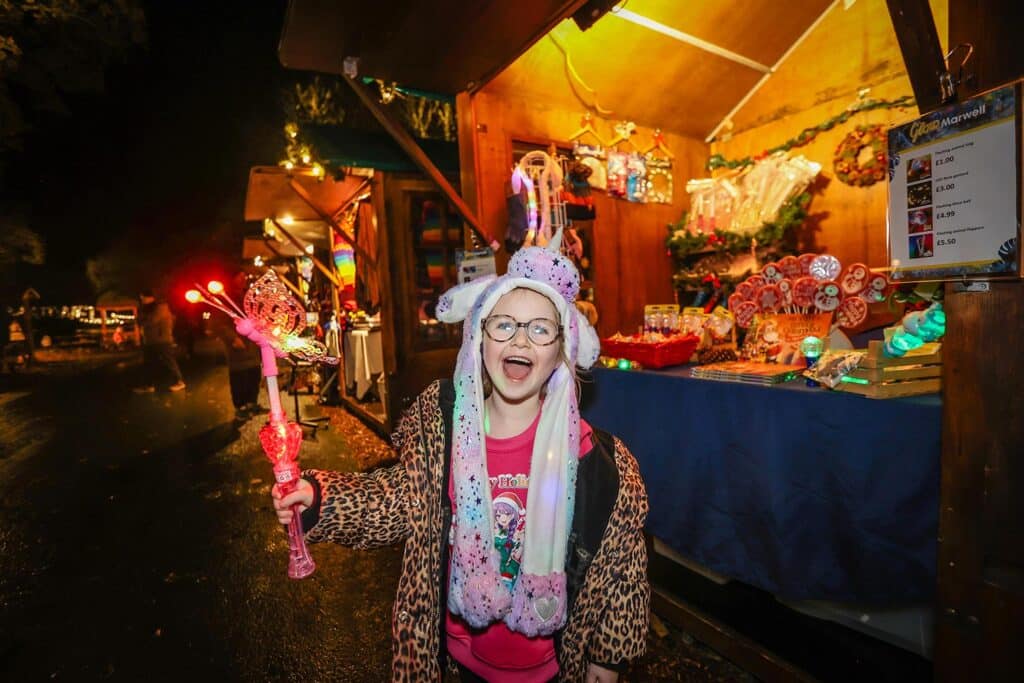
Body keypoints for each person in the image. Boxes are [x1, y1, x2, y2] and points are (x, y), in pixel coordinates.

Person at [272, 232, 649, 682]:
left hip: (551, 668)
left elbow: (623, 569)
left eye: (540, 329)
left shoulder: (599, 463)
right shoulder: (444, 433)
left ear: (561, 352)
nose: (520, 340)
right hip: (460, 662)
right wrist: (319, 497)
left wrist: (605, 662)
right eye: (503, 324)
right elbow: (393, 500)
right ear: (479, 337)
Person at [134, 291, 186, 393]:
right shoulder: (147, 309)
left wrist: (142, 320)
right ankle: (149, 385)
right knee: (148, 364)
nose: (142, 300)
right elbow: (139, 321)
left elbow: (151, 321)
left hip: (162, 339)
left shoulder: (161, 307)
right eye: (141, 299)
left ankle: (179, 381)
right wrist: (142, 319)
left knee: (169, 361)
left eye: (143, 298)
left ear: (150, 298)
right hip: (150, 340)